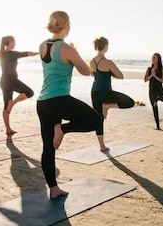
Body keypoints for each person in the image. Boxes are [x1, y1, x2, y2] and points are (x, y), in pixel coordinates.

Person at [36, 11, 102, 200]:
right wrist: (76, 54)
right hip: (60, 99)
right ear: (66, 26)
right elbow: (85, 71)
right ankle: (63, 129)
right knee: (95, 120)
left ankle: (54, 188)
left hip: (43, 102)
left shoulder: (42, 46)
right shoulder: (67, 49)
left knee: (48, 147)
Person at [90, 36, 135, 152]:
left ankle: (102, 146)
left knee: (98, 119)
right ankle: (108, 106)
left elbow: (93, 74)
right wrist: (110, 73)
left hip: (94, 92)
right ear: (105, 46)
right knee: (129, 102)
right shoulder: (108, 62)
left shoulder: (91, 61)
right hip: (105, 92)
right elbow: (121, 76)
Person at [0, 35, 38, 138]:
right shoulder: (12, 54)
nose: (15, 43)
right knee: (30, 92)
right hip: (11, 80)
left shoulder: (2, 53)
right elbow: (27, 53)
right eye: (13, 42)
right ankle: (13, 103)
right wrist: (41, 52)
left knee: (6, 105)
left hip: (4, 81)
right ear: (8, 43)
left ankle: (8, 129)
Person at [144, 53, 163, 130]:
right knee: (154, 108)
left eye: (155, 58)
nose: (153, 59)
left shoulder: (162, 69)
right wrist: (151, 75)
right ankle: (158, 126)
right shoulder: (149, 69)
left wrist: (155, 76)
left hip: (160, 90)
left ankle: (158, 98)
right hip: (152, 91)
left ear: (158, 59)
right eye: (152, 58)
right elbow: (145, 80)